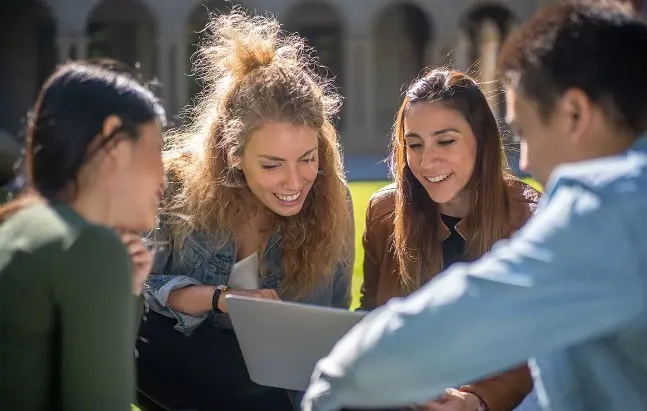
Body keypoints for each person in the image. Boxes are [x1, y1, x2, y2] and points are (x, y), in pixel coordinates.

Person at [301, 1, 647, 410]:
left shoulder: (607, 209)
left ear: (574, 113)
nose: (529, 161)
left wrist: (334, 384)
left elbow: (479, 309)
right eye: (415, 144)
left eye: (526, 131)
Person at [136, 8, 354, 411]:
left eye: (307, 158)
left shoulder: (332, 197)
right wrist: (218, 297)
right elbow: (129, 296)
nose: (294, 182)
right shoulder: (173, 185)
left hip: (272, 394)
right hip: (177, 370)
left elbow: (333, 320)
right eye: (272, 165)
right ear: (233, 154)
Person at [359, 69, 537, 411]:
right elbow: (369, 315)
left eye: (445, 141)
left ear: (481, 139)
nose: (427, 161)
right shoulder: (384, 213)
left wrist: (476, 401)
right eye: (414, 144)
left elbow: (538, 345)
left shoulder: (530, 219)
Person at [0, 61, 166, 410]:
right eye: (157, 148)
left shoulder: (19, 227)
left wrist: (127, 292)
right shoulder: (88, 247)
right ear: (114, 139)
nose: (163, 176)